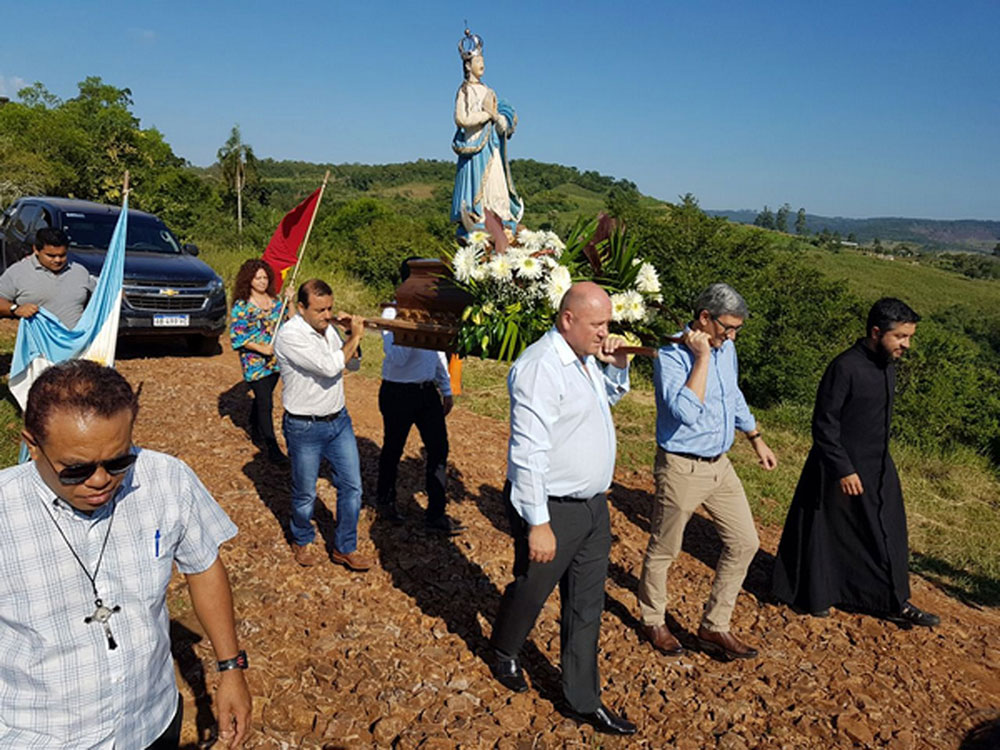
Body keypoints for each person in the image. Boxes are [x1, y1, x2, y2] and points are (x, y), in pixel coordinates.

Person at [0, 360, 251, 748]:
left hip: (151, 720)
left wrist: (231, 667)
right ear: (32, 445)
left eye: (119, 460)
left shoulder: (168, 481)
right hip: (40, 734)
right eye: (75, 469)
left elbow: (203, 566)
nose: (100, 480)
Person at [489, 281, 636, 736]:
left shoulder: (585, 359)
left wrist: (618, 365)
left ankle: (581, 697)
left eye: (608, 323)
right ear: (567, 319)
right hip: (552, 505)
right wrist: (539, 522)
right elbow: (527, 452)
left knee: (587, 603)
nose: (605, 332)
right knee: (532, 590)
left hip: (593, 506)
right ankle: (504, 650)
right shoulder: (539, 367)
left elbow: (599, 403)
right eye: (598, 324)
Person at [771, 298, 939, 627]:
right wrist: (843, 468)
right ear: (876, 332)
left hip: (878, 467)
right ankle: (816, 596)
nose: (907, 345)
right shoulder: (845, 367)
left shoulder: (887, 365)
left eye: (909, 337)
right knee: (828, 534)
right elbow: (824, 424)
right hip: (837, 469)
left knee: (886, 533)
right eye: (901, 337)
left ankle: (894, 602)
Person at [637, 283, 777, 661]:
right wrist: (700, 358)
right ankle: (653, 618)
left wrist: (755, 437)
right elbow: (685, 413)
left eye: (736, 330)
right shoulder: (670, 354)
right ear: (704, 318)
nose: (731, 336)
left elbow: (732, 395)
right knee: (665, 548)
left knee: (745, 542)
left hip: (721, 465)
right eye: (726, 328)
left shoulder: (727, 349)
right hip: (681, 466)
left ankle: (714, 627)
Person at [273, 278, 373, 571]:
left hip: (338, 421)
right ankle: (302, 538)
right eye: (319, 310)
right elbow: (331, 366)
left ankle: (345, 547)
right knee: (305, 492)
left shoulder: (328, 329)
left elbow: (351, 365)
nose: (326, 315)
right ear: (301, 307)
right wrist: (354, 336)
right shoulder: (290, 336)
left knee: (352, 486)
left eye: (329, 308)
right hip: (304, 427)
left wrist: (348, 337)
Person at [376, 260, 465, 535]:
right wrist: (412, 325)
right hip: (397, 391)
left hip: (426, 392)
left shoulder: (431, 310)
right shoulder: (391, 313)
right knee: (393, 448)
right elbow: (397, 357)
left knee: (439, 449)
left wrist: (446, 389)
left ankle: (436, 513)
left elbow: (436, 353)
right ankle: (385, 504)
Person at [450, 29, 523, 232]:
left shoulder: (489, 91)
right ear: (468, 65)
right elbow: (461, 119)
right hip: (474, 146)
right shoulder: (464, 90)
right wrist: (486, 115)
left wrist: (499, 120)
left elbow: (500, 120)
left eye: (483, 60)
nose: (482, 64)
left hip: (492, 146)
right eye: (478, 60)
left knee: (497, 183)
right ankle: (479, 216)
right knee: (478, 187)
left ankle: (501, 217)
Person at [229, 259, 289, 464]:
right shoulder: (242, 306)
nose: (262, 282)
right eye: (258, 278)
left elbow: (289, 321)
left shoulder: (275, 301)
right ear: (249, 279)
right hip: (254, 360)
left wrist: (289, 302)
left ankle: (254, 425)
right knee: (266, 401)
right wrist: (260, 348)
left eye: (265, 277)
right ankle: (272, 447)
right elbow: (237, 338)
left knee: (264, 396)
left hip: (276, 360)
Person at [0, 227, 95, 328]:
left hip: (75, 341)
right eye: (51, 256)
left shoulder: (80, 272)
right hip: (36, 341)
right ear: (36, 250)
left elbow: (98, 302)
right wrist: (15, 309)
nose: (57, 260)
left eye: (62, 255)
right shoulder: (18, 272)